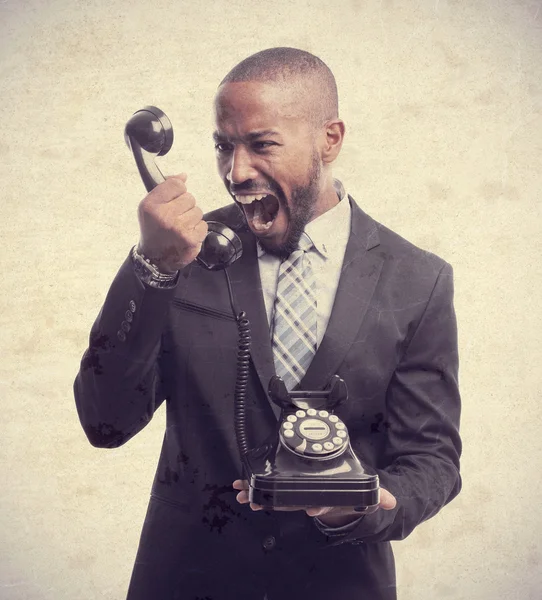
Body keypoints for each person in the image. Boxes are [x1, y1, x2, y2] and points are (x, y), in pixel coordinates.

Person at [74, 47, 462, 600]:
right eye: (222, 146)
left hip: (340, 582)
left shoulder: (418, 279)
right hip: (186, 580)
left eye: (261, 144)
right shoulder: (181, 252)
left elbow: (432, 459)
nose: (236, 171)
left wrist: (372, 504)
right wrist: (151, 269)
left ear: (329, 139)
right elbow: (104, 422)